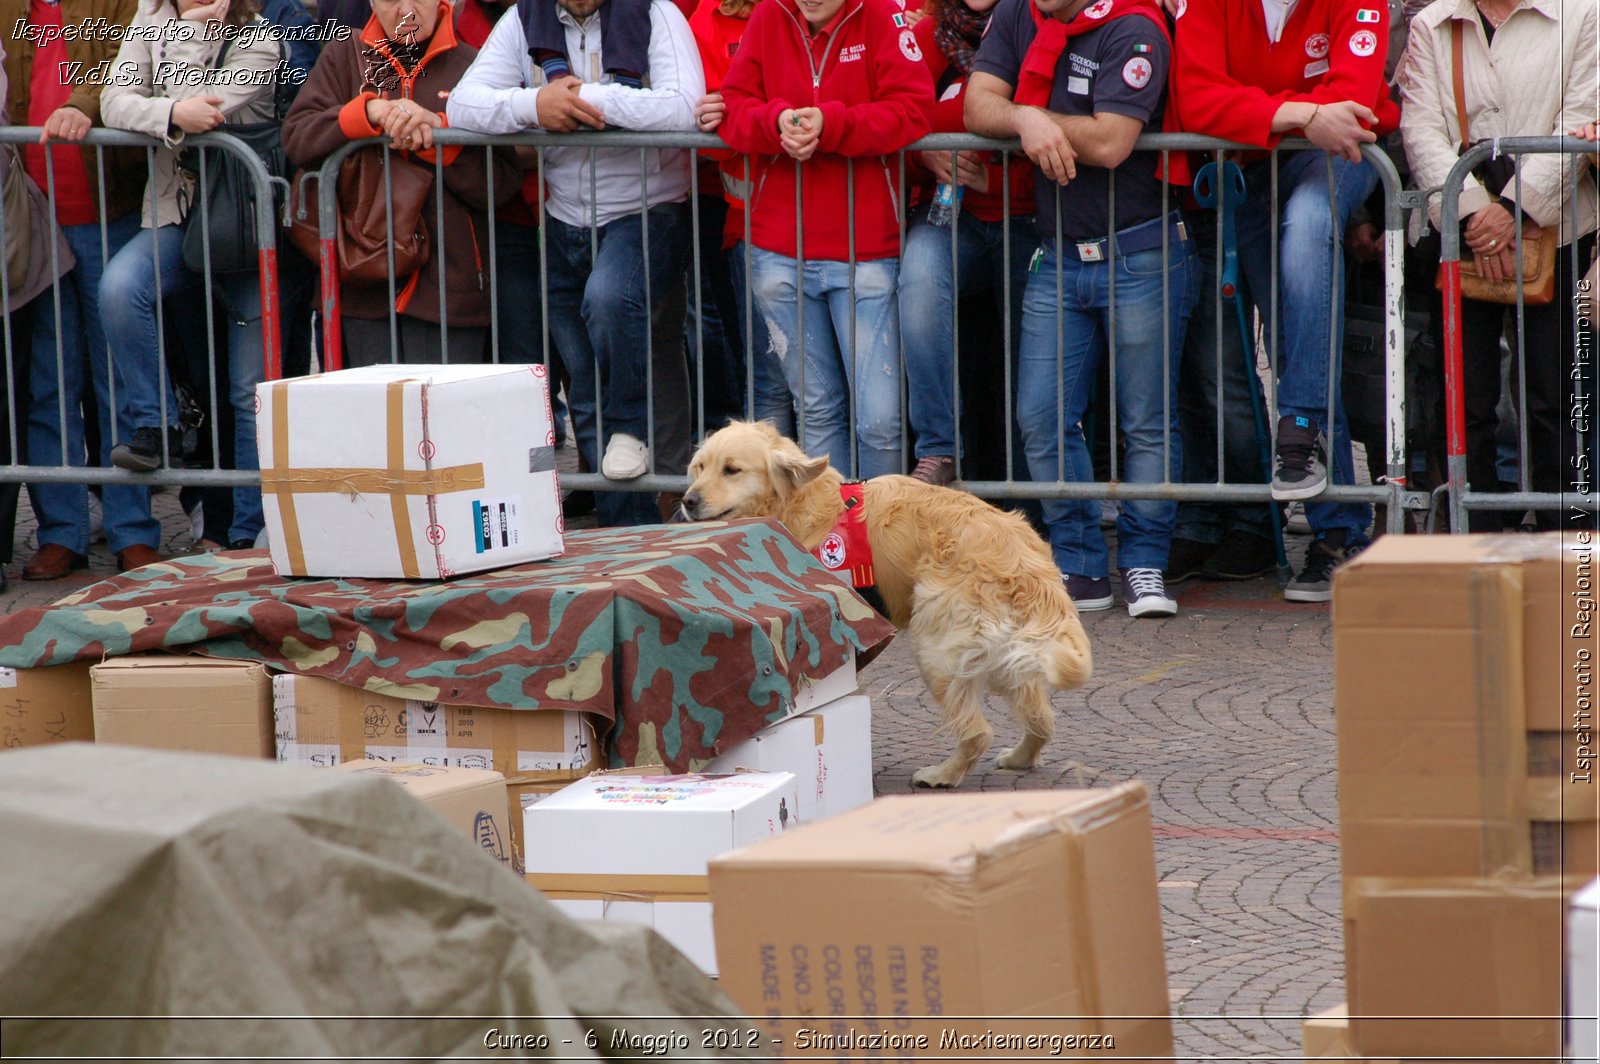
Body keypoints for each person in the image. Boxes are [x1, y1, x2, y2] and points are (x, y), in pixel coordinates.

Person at [965, 0, 1199, 618]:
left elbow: (1113, 141)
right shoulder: (1021, 11)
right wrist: (1024, 119)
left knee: (1147, 421)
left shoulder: (1135, 23)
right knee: (1041, 417)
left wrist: (1035, 119)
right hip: (1059, 251)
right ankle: (1079, 562)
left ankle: (1146, 563)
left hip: (1142, 250)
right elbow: (976, 104)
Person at [1171, 0, 1399, 601]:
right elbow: (1196, 97)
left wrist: (1267, 111)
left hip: (1334, 158)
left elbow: (1351, 99)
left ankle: (1304, 440)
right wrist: (1302, 110)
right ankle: (1335, 532)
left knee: (1307, 224)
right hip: (1250, 165)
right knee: (1302, 339)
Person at [447, 0, 705, 527]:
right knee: (584, 384)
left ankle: (632, 430)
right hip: (564, 216)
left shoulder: (656, 13)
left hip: (648, 210)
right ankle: (625, 531)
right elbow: (464, 106)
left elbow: (684, 106)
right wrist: (534, 106)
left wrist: (591, 101)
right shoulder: (523, 18)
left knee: (609, 301)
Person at [1399, 0, 1598, 529]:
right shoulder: (1432, 23)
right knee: (1465, 400)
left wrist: (1514, 209)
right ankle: (1474, 535)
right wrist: (1473, 215)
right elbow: (1420, 130)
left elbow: (1581, 121)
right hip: (1459, 237)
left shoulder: (1583, 14)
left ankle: (1565, 539)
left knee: (1555, 399)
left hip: (1560, 233)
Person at [97, 0, 280, 563]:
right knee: (120, 289)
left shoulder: (262, 34)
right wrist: (172, 106)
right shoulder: (150, 19)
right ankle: (158, 426)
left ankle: (245, 533)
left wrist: (174, 83)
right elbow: (112, 101)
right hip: (176, 216)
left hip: (247, 228)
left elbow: (211, 107)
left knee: (247, 388)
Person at [719, 0, 933, 480]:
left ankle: (876, 538)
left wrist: (832, 124)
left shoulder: (881, 16)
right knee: (815, 410)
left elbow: (915, 110)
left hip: (867, 250)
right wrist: (776, 123)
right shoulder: (769, 17)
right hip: (778, 249)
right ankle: (831, 544)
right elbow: (731, 108)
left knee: (880, 420)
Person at [284, 0, 518, 367]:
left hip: (451, 284)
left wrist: (438, 141)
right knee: (375, 420)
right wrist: (365, 112)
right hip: (362, 279)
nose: (406, 9)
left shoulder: (473, 64)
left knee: (445, 420)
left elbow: (502, 183)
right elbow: (297, 137)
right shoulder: (344, 54)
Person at [4, 0, 145, 580]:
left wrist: (80, 105)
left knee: (117, 382)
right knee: (48, 382)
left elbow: (127, 68)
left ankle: (133, 531)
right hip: (34, 221)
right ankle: (61, 531)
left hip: (107, 213)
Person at [896, 0, 1037, 487]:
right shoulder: (932, 34)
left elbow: (1058, 123)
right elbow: (901, 120)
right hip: (952, 217)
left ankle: (1036, 504)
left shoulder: (1035, 23)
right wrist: (927, 158)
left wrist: (999, 173)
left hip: (1031, 219)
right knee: (917, 280)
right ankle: (938, 450)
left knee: (1030, 366)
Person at [689, 0, 796, 436]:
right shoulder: (707, 18)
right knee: (769, 376)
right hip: (750, 223)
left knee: (834, 388)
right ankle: (772, 499)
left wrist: (751, 115)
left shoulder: (810, 11)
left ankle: (840, 500)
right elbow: (710, 132)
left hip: (839, 224)